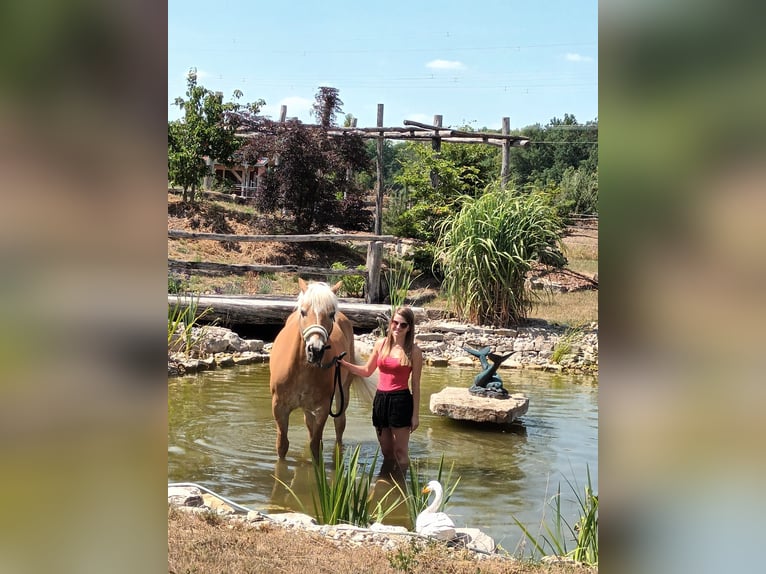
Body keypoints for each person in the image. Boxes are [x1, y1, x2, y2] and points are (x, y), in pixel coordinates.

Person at [338, 306, 422, 476]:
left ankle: (402, 485)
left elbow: (416, 385)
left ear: (409, 328)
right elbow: (367, 371)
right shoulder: (380, 344)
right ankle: (387, 483)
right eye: (395, 322)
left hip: (401, 402)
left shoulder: (414, 351)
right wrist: (344, 364)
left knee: (401, 452)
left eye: (403, 325)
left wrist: (415, 415)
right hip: (381, 401)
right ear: (390, 323)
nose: (397, 327)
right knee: (386, 451)